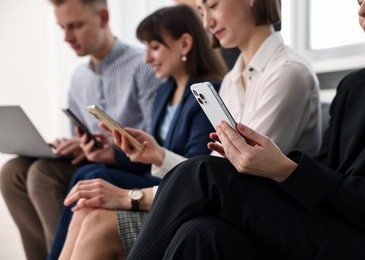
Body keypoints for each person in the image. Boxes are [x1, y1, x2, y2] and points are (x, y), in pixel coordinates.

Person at [55, 0, 323, 258]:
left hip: (261, 216)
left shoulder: (287, 73)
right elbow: (213, 169)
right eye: (201, 10)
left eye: (213, 5)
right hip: (226, 202)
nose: (206, 21)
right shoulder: (232, 79)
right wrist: (157, 156)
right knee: (91, 215)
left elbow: (234, 180)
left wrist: (132, 197)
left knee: (99, 223)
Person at [128, 0, 365, 259]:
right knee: (199, 232)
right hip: (324, 221)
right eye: (359, 0)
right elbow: (328, 167)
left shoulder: (289, 72)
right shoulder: (355, 87)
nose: (362, 9)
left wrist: (287, 170)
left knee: (202, 173)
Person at [46, 4, 227, 259]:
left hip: (173, 187)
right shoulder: (166, 91)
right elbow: (151, 160)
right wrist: (116, 154)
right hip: (158, 178)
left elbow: (198, 170)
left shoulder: (205, 94)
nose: (146, 57)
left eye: (155, 47)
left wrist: (156, 155)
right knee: (88, 185)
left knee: (91, 176)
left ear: (185, 45)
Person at [0, 0, 161, 259]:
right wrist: (73, 145)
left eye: (75, 26)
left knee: (42, 174)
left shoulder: (143, 67)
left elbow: (155, 139)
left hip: (128, 165)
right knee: (12, 172)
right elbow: (81, 134)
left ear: (104, 18)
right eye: (62, 27)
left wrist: (108, 146)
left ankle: (65, 253)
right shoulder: (78, 78)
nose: (66, 37)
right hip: (91, 159)